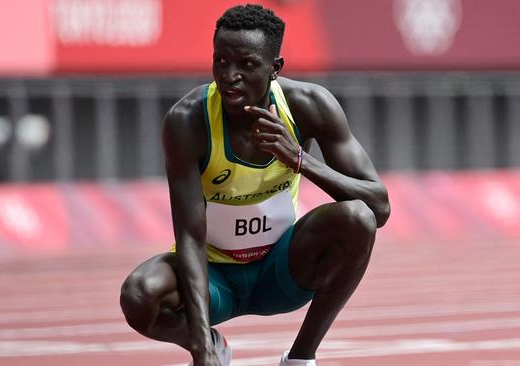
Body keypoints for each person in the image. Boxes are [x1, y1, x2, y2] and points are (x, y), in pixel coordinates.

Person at [120, 4, 390, 366]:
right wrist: (202, 349)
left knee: (357, 218)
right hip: (215, 280)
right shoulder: (187, 122)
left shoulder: (310, 106)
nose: (230, 76)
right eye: (221, 62)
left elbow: (379, 207)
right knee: (139, 295)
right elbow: (189, 235)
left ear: (275, 68)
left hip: (281, 272)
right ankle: (214, 347)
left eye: (246, 65)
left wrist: (298, 160)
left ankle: (300, 358)